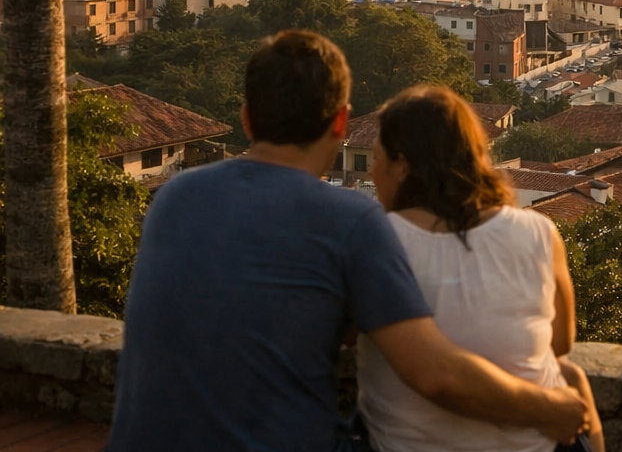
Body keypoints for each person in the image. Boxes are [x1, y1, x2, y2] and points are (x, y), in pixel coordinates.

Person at [108, 30, 587, 452]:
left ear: (247, 120)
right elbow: (435, 375)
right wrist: (551, 409)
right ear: (341, 123)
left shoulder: (174, 197)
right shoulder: (349, 220)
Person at [359, 85, 604, 452]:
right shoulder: (538, 232)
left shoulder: (377, 241)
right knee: (571, 377)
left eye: (377, 158)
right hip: (538, 444)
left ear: (402, 165)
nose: (371, 172)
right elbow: (560, 343)